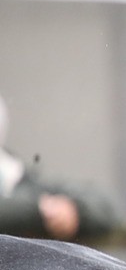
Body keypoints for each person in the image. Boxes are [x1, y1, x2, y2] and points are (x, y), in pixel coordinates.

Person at [0, 95, 116, 241]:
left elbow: (106, 206)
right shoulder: (32, 195)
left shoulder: (15, 174)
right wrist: (40, 209)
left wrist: (73, 210)